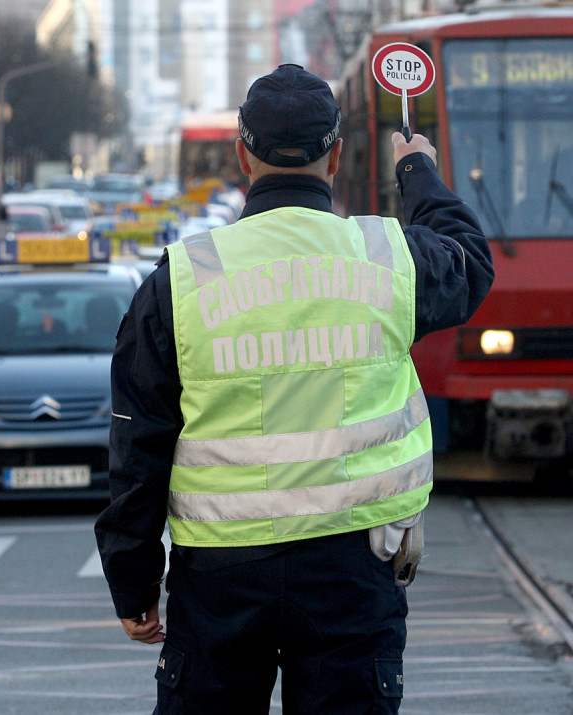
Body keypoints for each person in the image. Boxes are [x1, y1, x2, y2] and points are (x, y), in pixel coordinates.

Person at [94, 64, 495, 714]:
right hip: (353, 566)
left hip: (220, 577)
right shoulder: (386, 256)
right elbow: (471, 259)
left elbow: (136, 442)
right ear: (335, 155)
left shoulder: (182, 280)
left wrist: (133, 579)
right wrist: (416, 167)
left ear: (239, 155)